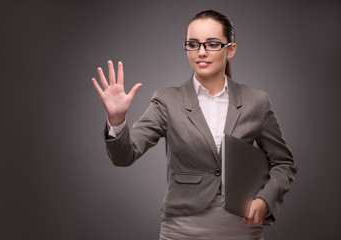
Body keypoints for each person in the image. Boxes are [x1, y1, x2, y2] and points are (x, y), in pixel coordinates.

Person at [91, 10, 297, 240]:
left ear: (230, 49)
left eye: (211, 44)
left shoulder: (257, 101)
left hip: (242, 228)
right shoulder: (167, 100)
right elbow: (124, 156)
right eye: (193, 44)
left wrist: (265, 200)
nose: (201, 52)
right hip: (182, 229)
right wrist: (117, 120)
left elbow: (284, 163)